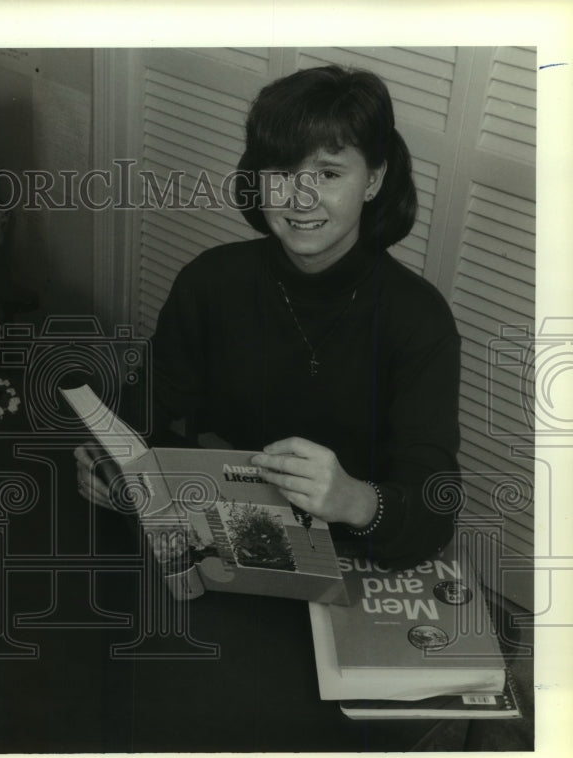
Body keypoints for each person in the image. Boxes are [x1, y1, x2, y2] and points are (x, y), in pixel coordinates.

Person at [76, 65, 461, 569]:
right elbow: (142, 407)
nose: (299, 199)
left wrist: (352, 499)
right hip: (215, 537)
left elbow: (434, 513)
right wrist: (105, 458)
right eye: (281, 172)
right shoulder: (209, 281)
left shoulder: (420, 319)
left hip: (352, 551)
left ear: (374, 179)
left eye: (328, 173)